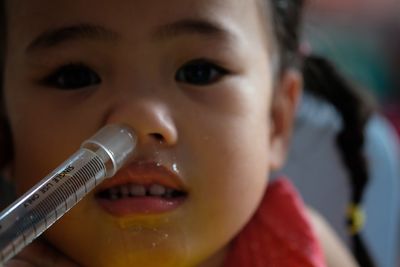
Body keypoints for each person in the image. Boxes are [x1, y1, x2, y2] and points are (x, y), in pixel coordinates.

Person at [0, 0, 358, 266]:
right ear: (5, 133)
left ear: (276, 121)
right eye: (74, 76)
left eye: (199, 72)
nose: (140, 120)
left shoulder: (299, 245)